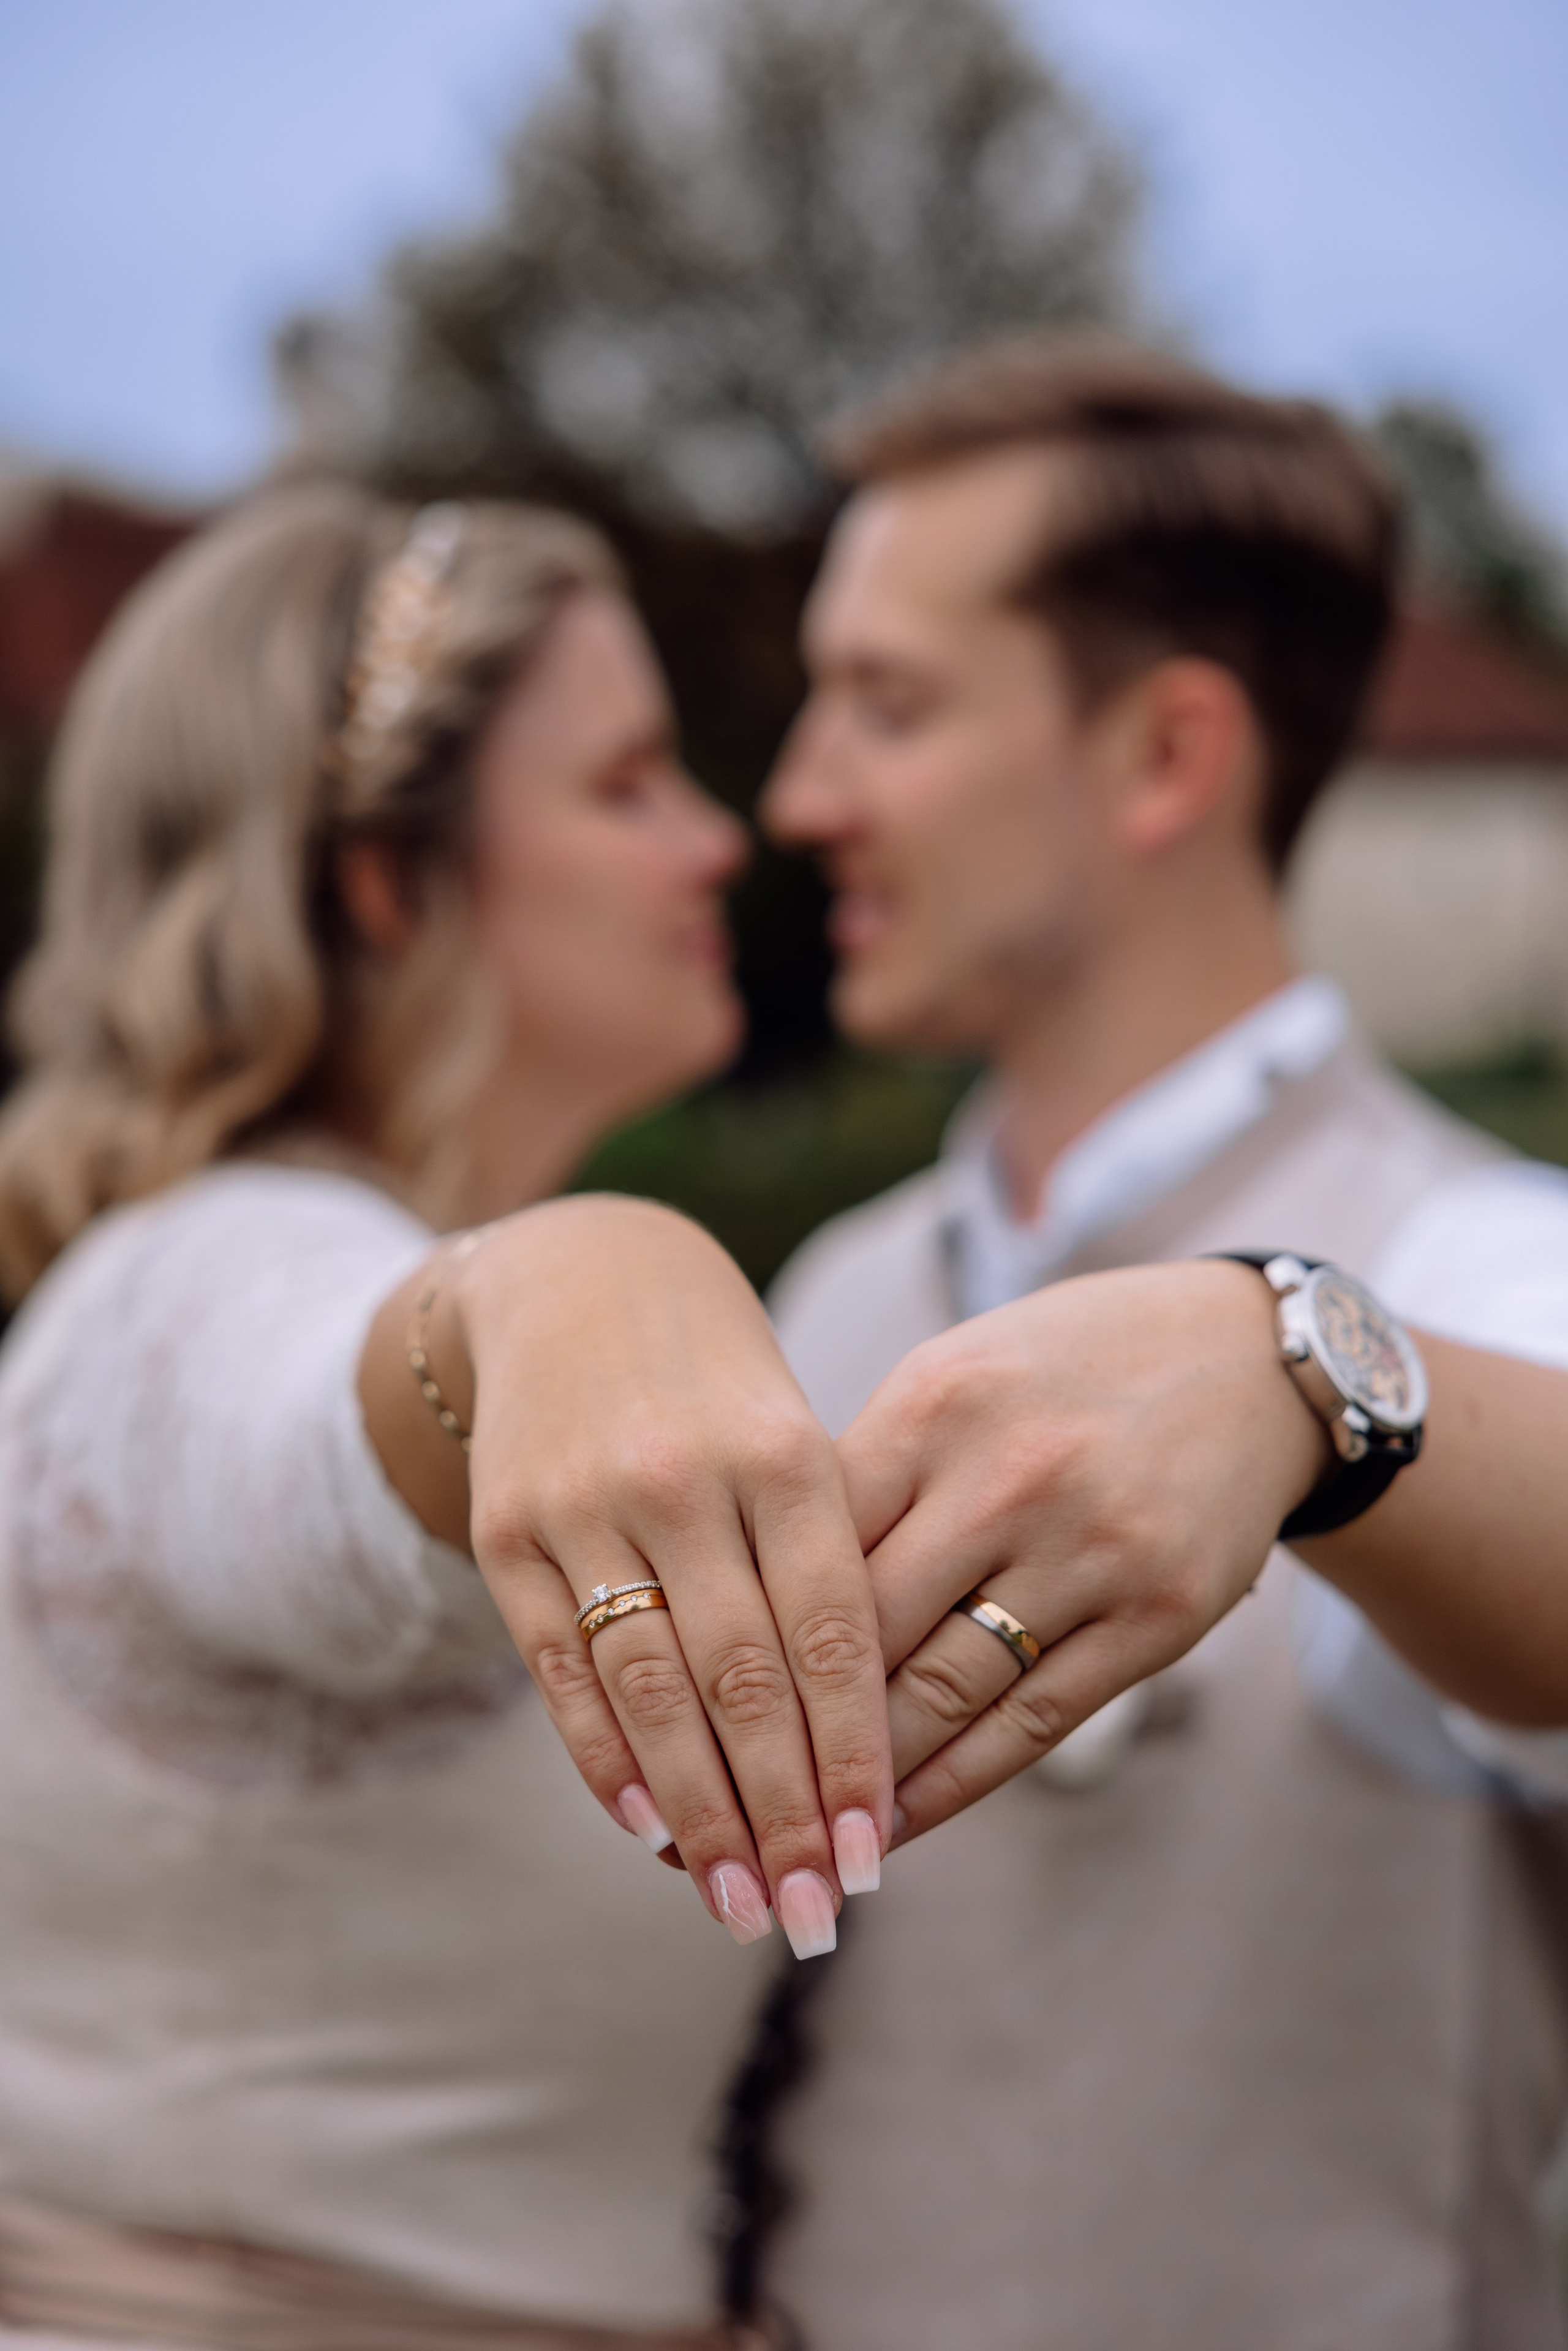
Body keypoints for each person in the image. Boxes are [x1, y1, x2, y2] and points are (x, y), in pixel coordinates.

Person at [0, 483, 903, 2347]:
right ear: (383, 881)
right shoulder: (194, 1284)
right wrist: (571, 1278)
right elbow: (298, 1459)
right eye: (630, 780)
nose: (720, 840)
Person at [744, 335, 1568, 2349]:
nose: (796, 794)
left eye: (890, 703)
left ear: (1166, 757)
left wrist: (1303, 1372)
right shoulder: (833, 1294)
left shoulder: (1484, 1265)